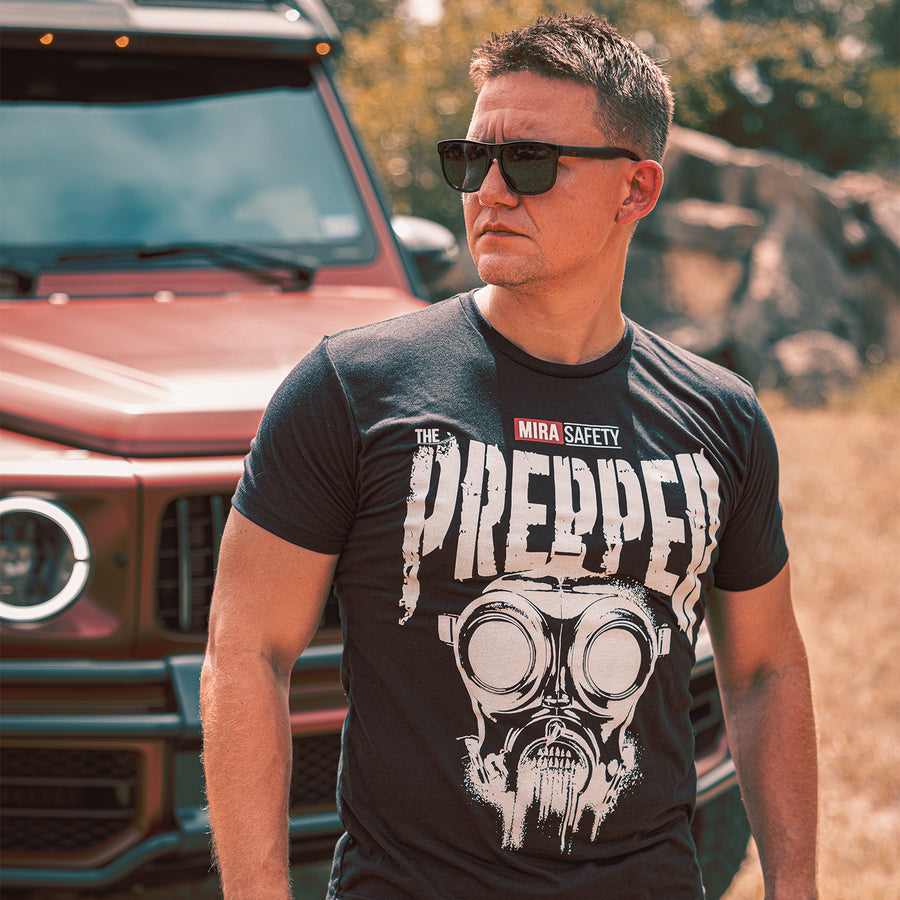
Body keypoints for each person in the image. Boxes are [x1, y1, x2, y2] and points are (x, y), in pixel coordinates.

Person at [201, 13, 818, 899]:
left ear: (635, 190)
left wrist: (797, 890)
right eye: (470, 158)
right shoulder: (350, 388)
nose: (490, 189)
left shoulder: (720, 417)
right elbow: (247, 650)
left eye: (529, 161)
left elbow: (765, 669)